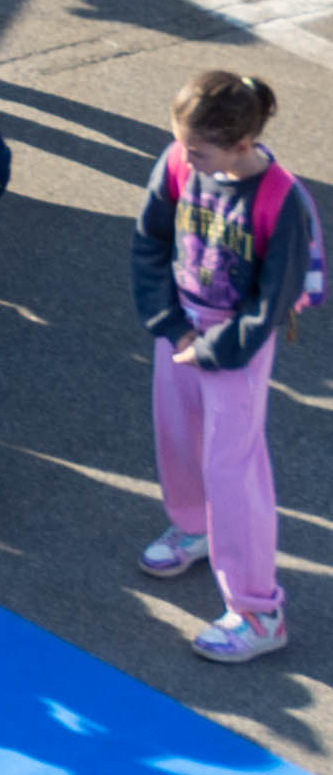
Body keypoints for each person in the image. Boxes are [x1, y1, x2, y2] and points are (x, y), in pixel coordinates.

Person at [132, 67, 314, 666]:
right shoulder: (181, 162)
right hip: (181, 327)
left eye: (199, 151)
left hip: (233, 346)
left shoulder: (281, 199)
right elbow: (151, 240)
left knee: (232, 468)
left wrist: (211, 349)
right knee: (177, 435)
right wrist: (167, 321)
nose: (186, 159)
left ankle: (260, 611)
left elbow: (272, 300)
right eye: (182, 144)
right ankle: (193, 526)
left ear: (242, 145)